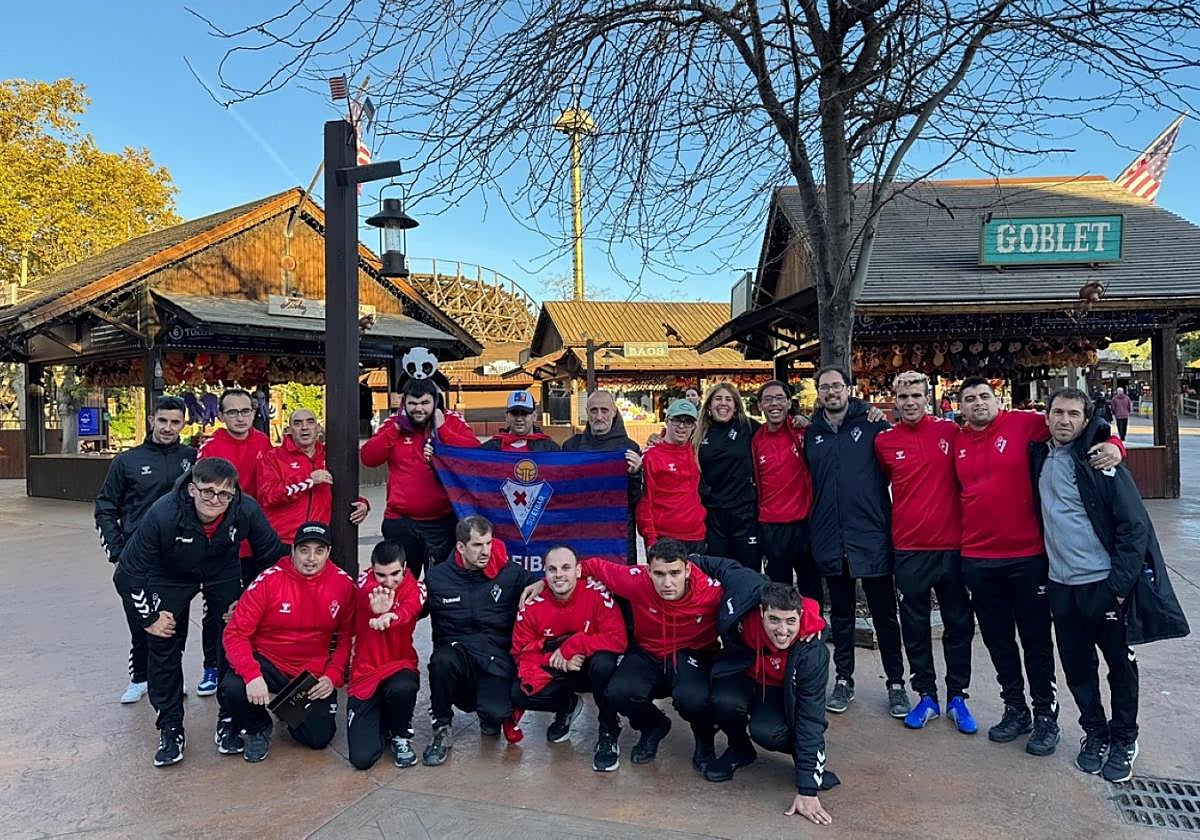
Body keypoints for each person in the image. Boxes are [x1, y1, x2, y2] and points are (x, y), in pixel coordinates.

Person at [955, 376, 1124, 757]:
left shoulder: (1025, 423)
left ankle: (1046, 714)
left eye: (984, 396)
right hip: (978, 558)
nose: (978, 403)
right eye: (970, 399)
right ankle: (1015, 708)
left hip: (1027, 557)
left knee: (1035, 640)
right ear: (960, 406)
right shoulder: (956, 439)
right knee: (998, 640)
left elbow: (1086, 427)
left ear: (996, 399)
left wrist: (1114, 445)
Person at [1032, 388, 1189, 783]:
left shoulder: (1101, 461)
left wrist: (1118, 588)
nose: (1064, 420)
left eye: (1073, 414)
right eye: (1057, 412)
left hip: (1102, 584)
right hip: (1060, 585)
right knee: (1077, 667)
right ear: (1046, 416)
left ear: (1086, 420)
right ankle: (1095, 733)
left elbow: (1135, 526)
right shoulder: (1039, 456)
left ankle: (1124, 739)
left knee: (1119, 666)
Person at [115, 457, 287, 766]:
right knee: (164, 641)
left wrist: (249, 599)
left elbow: (274, 558)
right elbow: (127, 574)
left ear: (234, 493)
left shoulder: (245, 508)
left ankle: (230, 718)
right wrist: (149, 617)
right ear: (192, 489)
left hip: (222, 570)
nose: (215, 500)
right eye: (207, 491)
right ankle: (170, 727)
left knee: (234, 637)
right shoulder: (164, 513)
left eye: (224, 494)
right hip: (170, 574)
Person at [693, 554, 836, 825]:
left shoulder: (812, 652)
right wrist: (685, 560)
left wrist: (808, 787)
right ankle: (739, 749)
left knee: (768, 731)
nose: (782, 631)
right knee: (722, 700)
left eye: (790, 622)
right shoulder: (748, 591)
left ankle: (803, 760)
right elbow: (723, 566)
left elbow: (811, 716)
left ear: (801, 617)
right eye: (774, 620)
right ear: (761, 612)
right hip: (743, 674)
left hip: (778, 691)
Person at [874, 371, 977, 733]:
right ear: (895, 401)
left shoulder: (951, 432)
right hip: (909, 549)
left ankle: (958, 696)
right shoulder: (884, 442)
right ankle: (926, 695)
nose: (910, 403)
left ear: (928, 397)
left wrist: (1113, 443)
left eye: (916, 395)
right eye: (903, 397)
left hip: (952, 547)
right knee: (915, 627)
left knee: (958, 624)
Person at [804, 365, 909, 719]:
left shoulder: (873, 424)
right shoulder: (810, 432)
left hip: (871, 534)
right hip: (830, 537)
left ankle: (896, 683)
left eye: (837, 386)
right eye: (824, 387)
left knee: (884, 614)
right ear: (818, 393)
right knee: (842, 616)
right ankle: (844, 679)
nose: (831, 392)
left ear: (848, 388)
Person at [578, 538, 723, 772]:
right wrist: (544, 583)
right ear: (649, 571)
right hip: (648, 651)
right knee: (618, 691)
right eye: (659, 574)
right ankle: (653, 725)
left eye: (674, 573)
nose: (667, 582)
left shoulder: (711, 592)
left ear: (687, 569)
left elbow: (752, 596)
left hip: (692, 653)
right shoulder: (636, 580)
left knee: (693, 698)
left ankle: (704, 738)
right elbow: (591, 566)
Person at [220, 521, 356, 764]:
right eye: (304, 550)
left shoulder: (344, 585)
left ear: (328, 553)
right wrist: (252, 675)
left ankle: (287, 709)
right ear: (292, 550)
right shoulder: (268, 581)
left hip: (309, 674)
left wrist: (331, 676)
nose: (311, 558)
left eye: (319, 550)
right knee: (233, 687)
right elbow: (235, 633)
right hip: (270, 663)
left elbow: (346, 637)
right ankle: (257, 727)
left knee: (318, 738)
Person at [95, 396, 196, 704]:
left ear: (183, 423)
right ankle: (140, 678)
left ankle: (169, 680)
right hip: (139, 558)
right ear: (152, 420)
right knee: (142, 619)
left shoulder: (192, 458)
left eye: (175, 422)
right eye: (162, 420)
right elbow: (105, 506)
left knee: (175, 625)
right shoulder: (126, 461)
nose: (168, 427)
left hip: (179, 556)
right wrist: (117, 550)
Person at [421, 516, 540, 766]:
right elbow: (411, 605)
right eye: (477, 545)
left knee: (495, 716)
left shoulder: (509, 574)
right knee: (441, 660)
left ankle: (489, 712)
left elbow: (546, 582)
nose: (486, 551)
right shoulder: (437, 578)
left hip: (494, 662)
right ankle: (442, 727)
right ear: (461, 547)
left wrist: (540, 584)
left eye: (488, 543)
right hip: (457, 660)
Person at [510, 545, 627, 771]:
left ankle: (608, 730)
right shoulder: (532, 603)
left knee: (604, 663)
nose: (559, 575)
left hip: (590, 666)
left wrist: (575, 646)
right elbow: (520, 651)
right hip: (558, 668)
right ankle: (567, 706)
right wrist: (555, 658)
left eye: (566, 567)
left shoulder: (596, 593)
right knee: (518, 692)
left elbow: (618, 640)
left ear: (578, 570)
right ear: (544, 573)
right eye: (552, 569)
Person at [197, 388, 276, 696]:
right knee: (220, 609)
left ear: (254, 413)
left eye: (245, 411)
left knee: (257, 608)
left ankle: (253, 664)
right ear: (222, 415)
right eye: (233, 412)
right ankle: (213, 667)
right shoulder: (212, 447)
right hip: (221, 545)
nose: (240, 418)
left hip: (256, 542)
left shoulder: (263, 442)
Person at [360, 377, 480, 578]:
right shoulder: (393, 424)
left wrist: (443, 431)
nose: (419, 409)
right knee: (401, 583)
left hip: (442, 522)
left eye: (425, 403)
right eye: (413, 404)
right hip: (401, 521)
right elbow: (368, 458)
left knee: (441, 583)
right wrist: (396, 429)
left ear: (435, 402)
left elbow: (476, 455)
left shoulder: (451, 420)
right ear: (404, 403)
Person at [347, 540, 427, 770]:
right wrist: (375, 605)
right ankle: (383, 720)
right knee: (362, 759)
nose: (389, 582)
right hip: (365, 674)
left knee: (403, 687)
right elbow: (365, 594)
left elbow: (412, 607)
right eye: (381, 575)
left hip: (399, 666)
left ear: (405, 568)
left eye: (395, 574)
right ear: (372, 570)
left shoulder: (417, 587)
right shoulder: (364, 583)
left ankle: (401, 734)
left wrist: (392, 615)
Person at [256, 408, 369, 547]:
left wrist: (362, 504)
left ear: (318, 427)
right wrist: (308, 480)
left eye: (310, 422)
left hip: (317, 541)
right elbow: (267, 496)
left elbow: (340, 489)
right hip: (282, 541)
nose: (304, 428)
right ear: (289, 430)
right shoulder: (273, 457)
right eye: (297, 423)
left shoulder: (330, 455)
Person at [752, 381, 819, 609]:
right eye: (768, 399)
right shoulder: (756, 438)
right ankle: (782, 642)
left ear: (789, 403)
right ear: (760, 405)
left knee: (811, 588)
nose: (774, 404)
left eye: (780, 398)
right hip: (771, 527)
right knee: (779, 592)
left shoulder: (803, 432)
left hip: (803, 524)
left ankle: (813, 635)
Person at [561, 390, 643, 562]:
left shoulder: (629, 449)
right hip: (580, 531)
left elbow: (635, 500)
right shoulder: (571, 447)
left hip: (617, 533)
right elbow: (562, 494)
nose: (599, 416)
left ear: (614, 412)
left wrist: (635, 475)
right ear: (587, 412)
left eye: (604, 410)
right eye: (594, 410)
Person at [695, 382, 761, 569]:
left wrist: (799, 421)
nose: (723, 404)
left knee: (749, 570)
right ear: (709, 404)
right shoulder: (699, 431)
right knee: (718, 571)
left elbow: (777, 433)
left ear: (736, 405)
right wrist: (655, 439)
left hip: (744, 512)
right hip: (713, 514)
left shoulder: (747, 427)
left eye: (728, 399)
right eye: (718, 398)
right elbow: (673, 441)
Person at [636, 398, 707, 553]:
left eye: (688, 422)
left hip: (697, 537)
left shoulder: (697, 451)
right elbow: (645, 502)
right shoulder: (652, 456)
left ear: (694, 426)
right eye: (677, 420)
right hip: (665, 538)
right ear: (667, 421)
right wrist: (650, 539)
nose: (682, 426)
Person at [481, 390, 560, 451]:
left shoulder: (551, 449)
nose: (519, 419)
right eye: (514, 413)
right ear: (507, 417)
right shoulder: (488, 449)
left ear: (534, 416)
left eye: (524, 413)